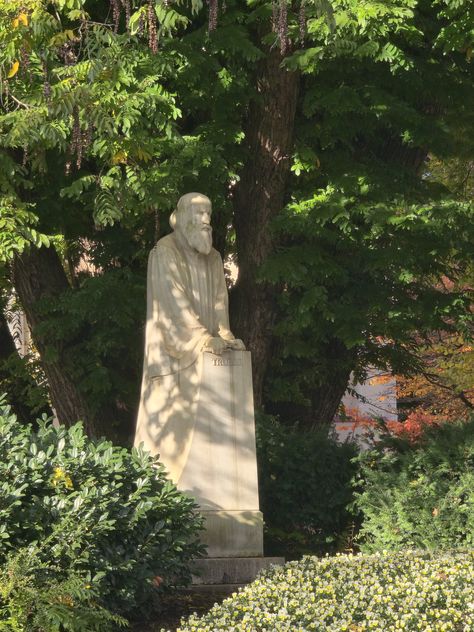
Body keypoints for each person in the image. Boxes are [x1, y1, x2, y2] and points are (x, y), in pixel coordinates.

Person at [135, 192, 244, 481]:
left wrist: (223, 333)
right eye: (199, 213)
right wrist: (202, 339)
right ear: (183, 217)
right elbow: (173, 302)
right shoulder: (165, 250)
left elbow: (219, 300)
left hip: (205, 344)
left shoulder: (214, 257)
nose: (206, 220)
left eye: (209, 213)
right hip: (174, 352)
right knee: (173, 431)